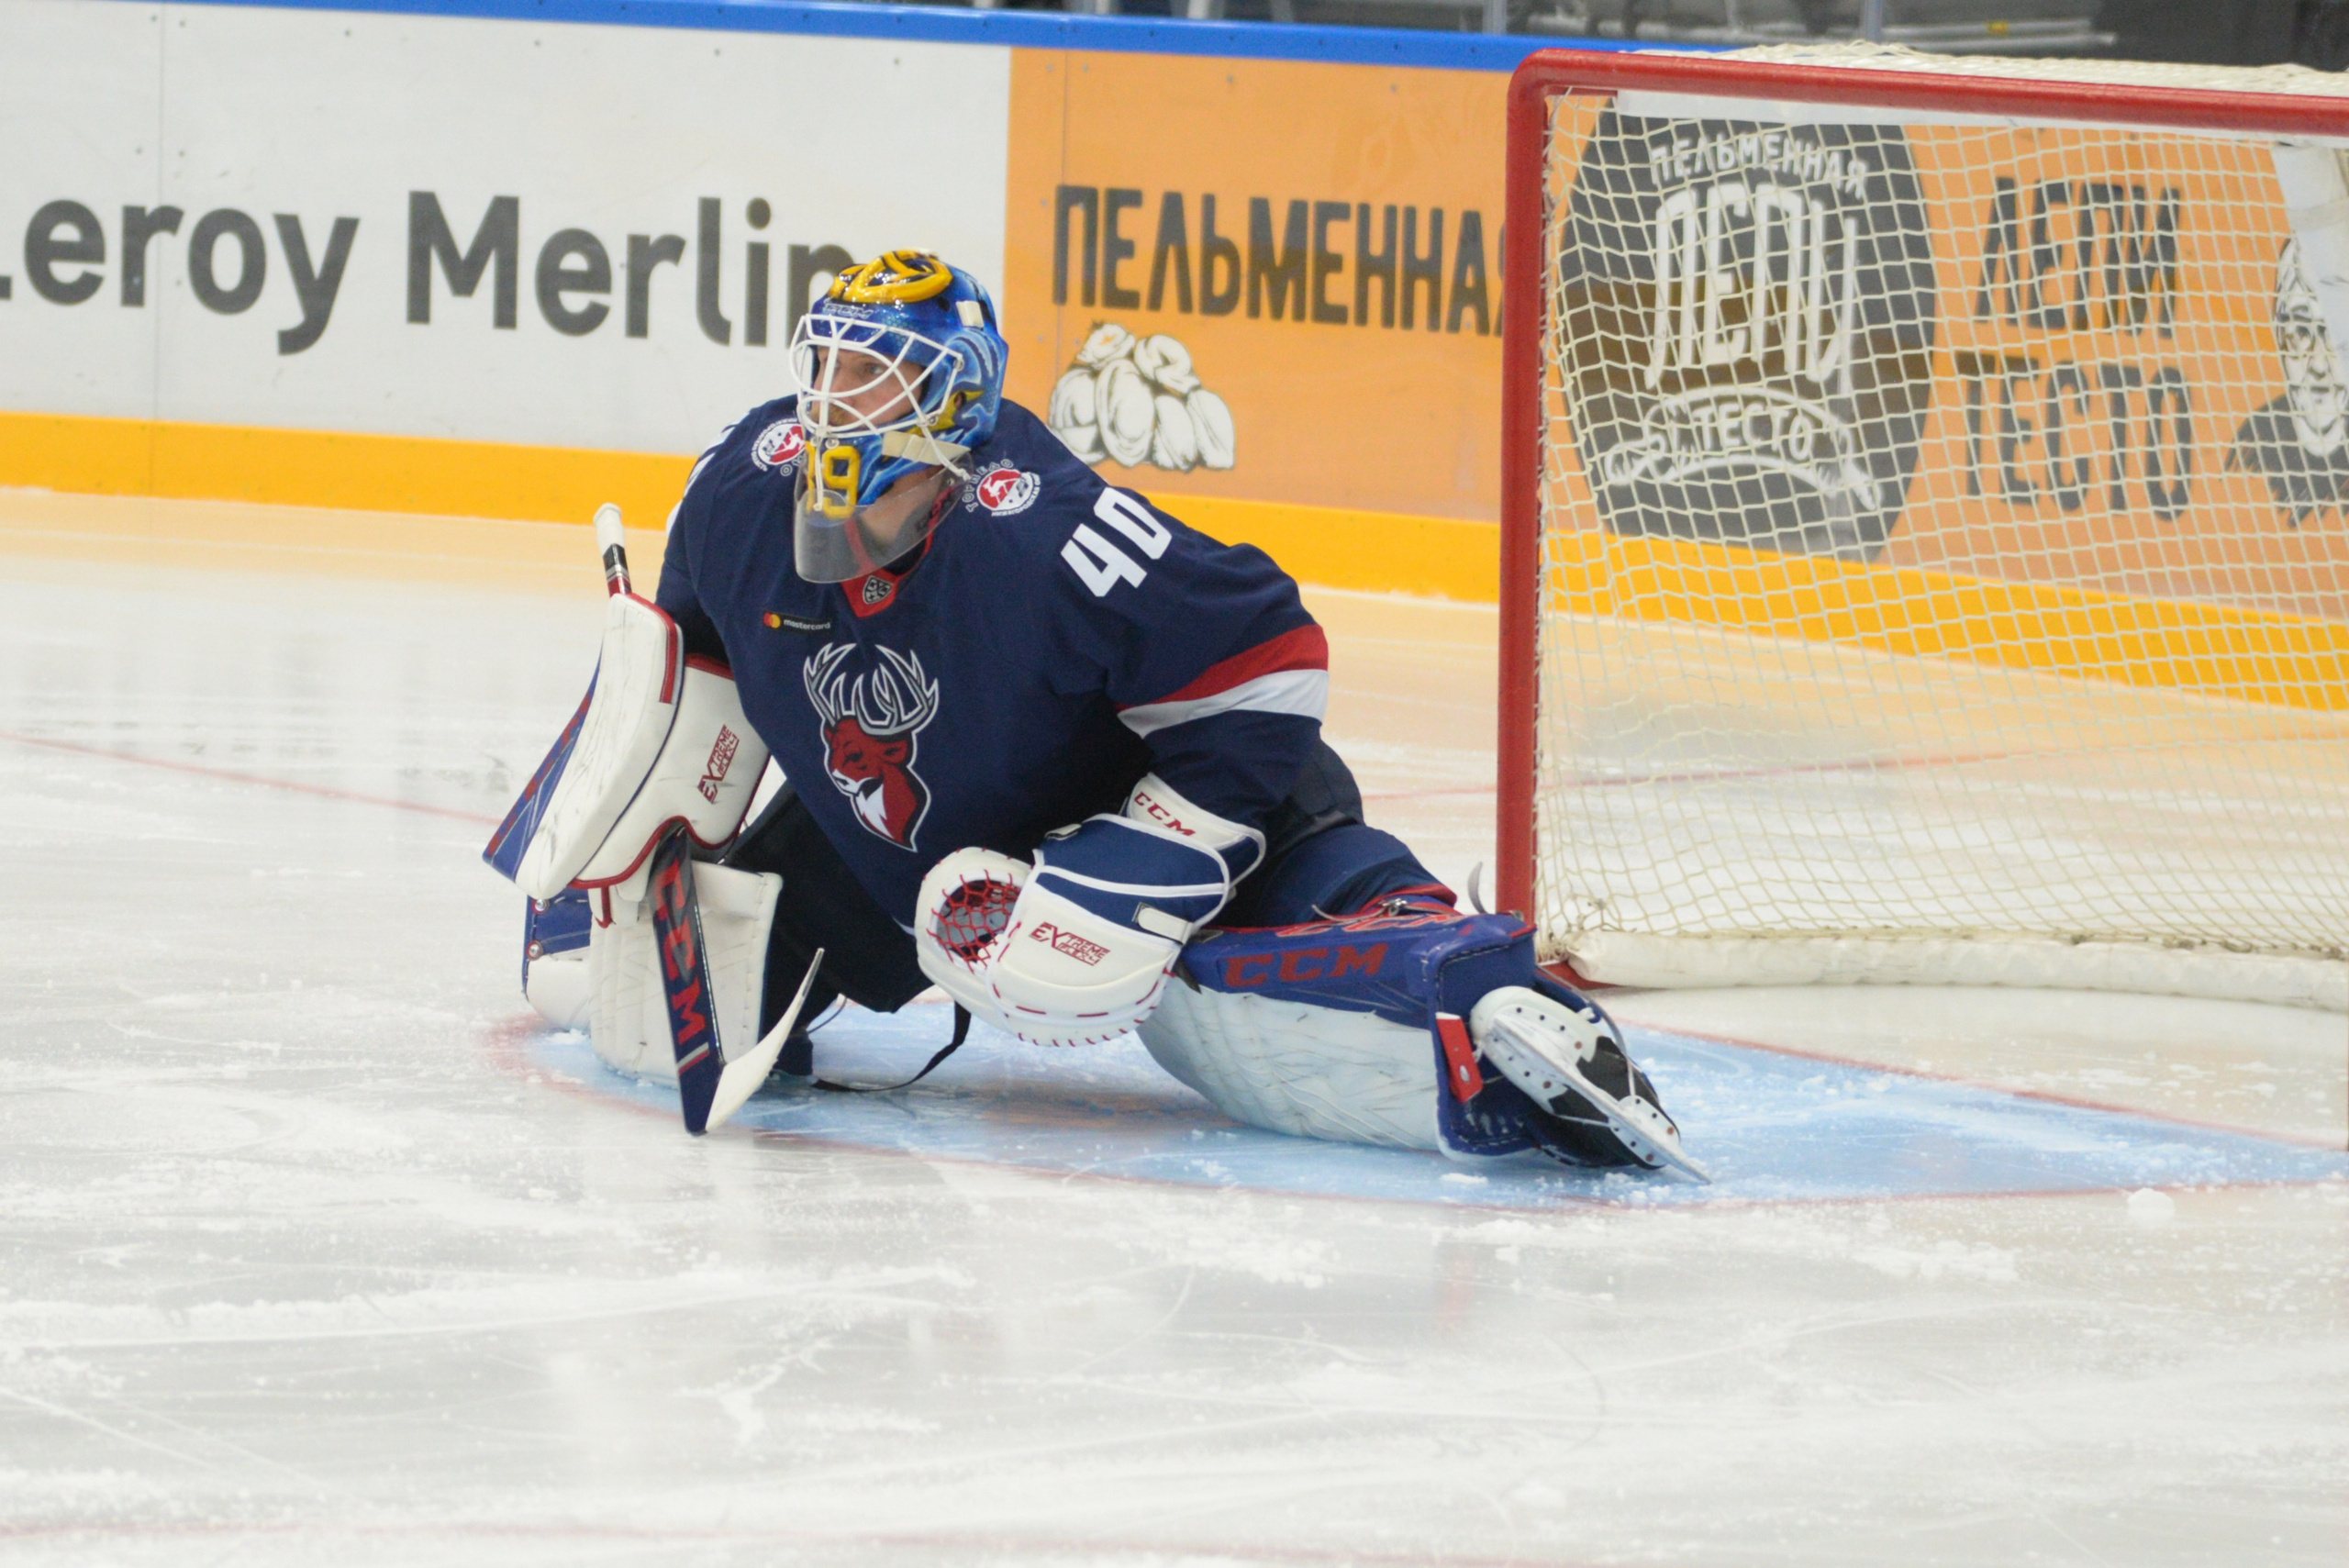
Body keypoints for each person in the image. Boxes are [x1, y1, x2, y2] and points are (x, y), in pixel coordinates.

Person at [493, 250, 1701, 1179]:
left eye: (879, 382)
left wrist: (1152, 858)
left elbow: (1270, 659)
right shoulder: (738, 495)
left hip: (1119, 789)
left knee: (1218, 985)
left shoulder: (1043, 532)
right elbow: (686, 667)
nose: (838, 413)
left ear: (954, 417)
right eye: (830, 374)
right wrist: (632, 846)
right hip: (897, 854)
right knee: (628, 1004)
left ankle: (1450, 969)